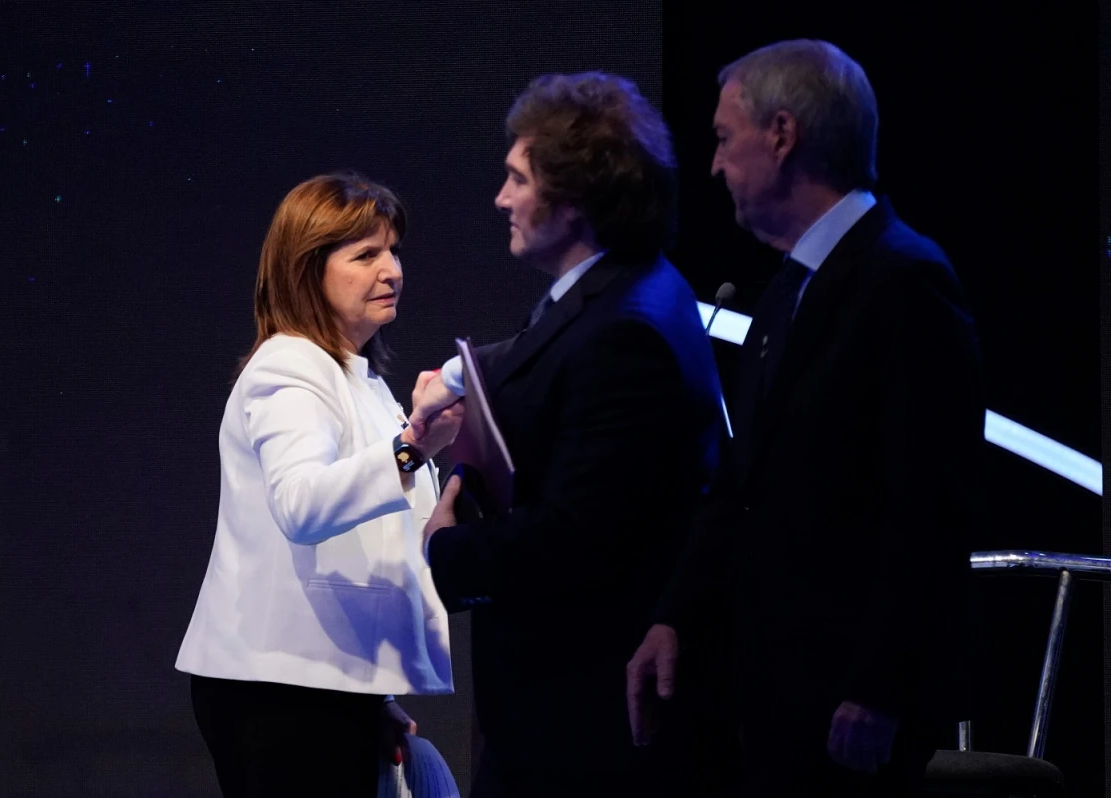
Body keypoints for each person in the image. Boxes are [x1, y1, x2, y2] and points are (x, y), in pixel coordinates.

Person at [627, 39, 984, 796]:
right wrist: (673, 619)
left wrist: (879, 686)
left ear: (782, 136)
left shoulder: (905, 279)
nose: (715, 165)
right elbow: (740, 486)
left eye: (725, 140)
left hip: (849, 710)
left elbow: (927, 503)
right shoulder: (791, 287)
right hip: (767, 694)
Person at [409, 73, 724, 797]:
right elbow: (532, 353)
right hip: (558, 714)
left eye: (518, 179)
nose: (501, 198)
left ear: (576, 198)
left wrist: (445, 548)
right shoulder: (619, 289)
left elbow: (574, 541)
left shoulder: (626, 332)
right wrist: (459, 379)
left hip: (580, 723)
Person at [174, 174, 463, 797]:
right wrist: (413, 446)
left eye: (393, 251)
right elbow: (303, 506)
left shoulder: (362, 382)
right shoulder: (289, 364)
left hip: (323, 685)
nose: (392, 271)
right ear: (309, 272)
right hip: (277, 690)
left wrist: (371, 695)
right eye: (365, 255)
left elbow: (382, 535)